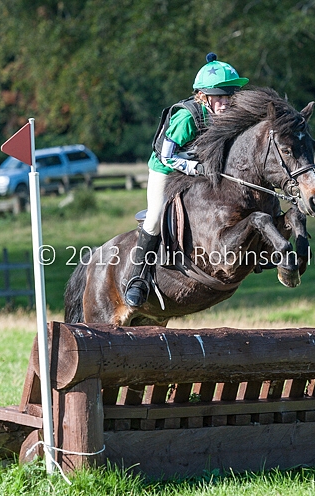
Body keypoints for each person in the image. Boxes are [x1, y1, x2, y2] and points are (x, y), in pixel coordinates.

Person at [124, 53, 249, 307]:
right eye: (219, 96)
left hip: (200, 170)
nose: (225, 102)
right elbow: (167, 155)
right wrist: (196, 168)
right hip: (166, 170)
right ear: (203, 96)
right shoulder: (187, 117)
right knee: (156, 216)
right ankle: (137, 278)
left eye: (229, 96)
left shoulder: (228, 114)